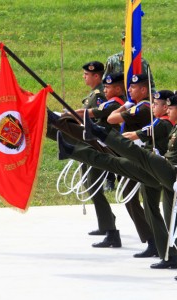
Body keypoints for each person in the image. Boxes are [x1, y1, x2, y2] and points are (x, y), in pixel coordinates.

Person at [57, 94, 177, 280]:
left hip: (174, 175)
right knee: (171, 221)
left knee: (141, 156)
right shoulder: (176, 127)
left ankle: (99, 132)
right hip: (168, 176)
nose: (167, 110)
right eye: (166, 107)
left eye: (171, 108)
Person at [123, 90, 177, 268]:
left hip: (155, 171)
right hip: (153, 169)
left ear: (166, 107)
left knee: (153, 209)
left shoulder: (161, 123)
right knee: (150, 209)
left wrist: (110, 139)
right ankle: (157, 245)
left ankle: (165, 251)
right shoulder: (160, 122)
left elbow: (134, 135)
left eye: (156, 104)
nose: (153, 106)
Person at [72, 72, 126, 247]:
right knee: (91, 185)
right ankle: (107, 222)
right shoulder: (111, 101)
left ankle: (111, 230)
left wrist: (67, 114)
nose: (105, 89)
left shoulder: (115, 103)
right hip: (96, 145)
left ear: (117, 89)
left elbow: (90, 113)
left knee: (94, 185)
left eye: (108, 87)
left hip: (103, 149)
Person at [107, 73, 157, 258]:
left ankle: (153, 240)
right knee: (132, 198)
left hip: (139, 158)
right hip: (134, 156)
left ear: (143, 90)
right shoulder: (140, 105)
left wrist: (126, 105)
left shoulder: (142, 107)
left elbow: (111, 118)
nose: (129, 90)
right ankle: (153, 239)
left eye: (133, 88)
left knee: (132, 197)